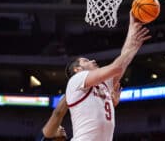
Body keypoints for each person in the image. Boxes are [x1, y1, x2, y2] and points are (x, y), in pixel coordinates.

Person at [65, 11, 151, 141]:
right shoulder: (76, 80)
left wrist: (132, 27)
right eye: (86, 61)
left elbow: (122, 62)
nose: (93, 61)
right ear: (77, 69)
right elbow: (116, 66)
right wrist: (133, 47)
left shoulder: (103, 84)